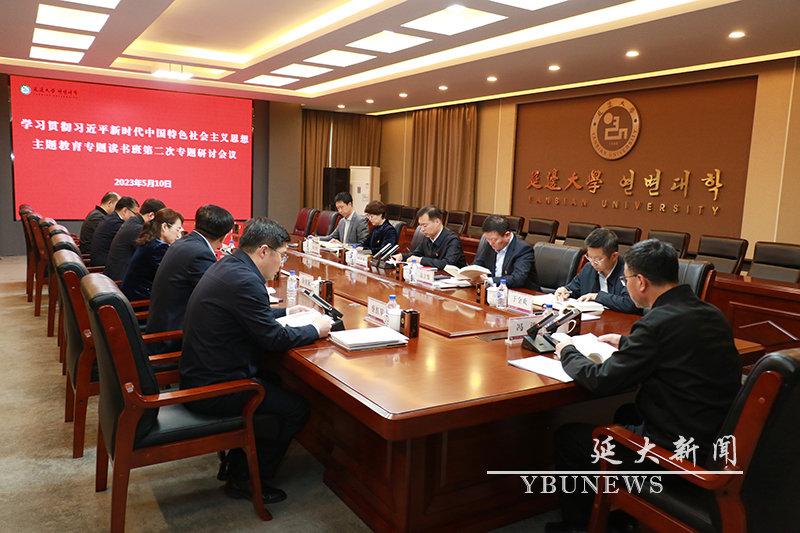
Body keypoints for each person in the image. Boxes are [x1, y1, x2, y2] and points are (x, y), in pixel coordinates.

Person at [545, 239, 742, 533]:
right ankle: (624, 514)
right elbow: (679, 348)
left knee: (568, 438)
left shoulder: (655, 323)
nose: (625, 286)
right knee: (626, 412)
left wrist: (568, 350)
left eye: (625, 280)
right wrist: (627, 342)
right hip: (712, 439)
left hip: (675, 454)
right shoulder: (711, 312)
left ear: (640, 281)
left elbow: (600, 381)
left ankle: (579, 527)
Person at [180, 217, 332, 504]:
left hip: (202, 372)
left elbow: (247, 315)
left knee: (274, 379)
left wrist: (286, 313)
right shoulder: (246, 281)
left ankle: (238, 463)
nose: (282, 264)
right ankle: (248, 480)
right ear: (264, 251)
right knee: (296, 409)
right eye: (282, 255)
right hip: (213, 388)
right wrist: (316, 329)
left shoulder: (230, 266)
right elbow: (272, 339)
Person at [145, 204, 234, 355]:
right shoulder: (200, 254)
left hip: (163, 327)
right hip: (173, 339)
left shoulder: (184, 243)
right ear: (223, 237)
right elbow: (220, 297)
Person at [554, 228, 637, 314]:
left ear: (614, 256)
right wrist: (564, 290)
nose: (593, 263)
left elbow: (629, 304)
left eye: (598, 259)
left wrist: (597, 296)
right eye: (589, 257)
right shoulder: (588, 268)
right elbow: (573, 288)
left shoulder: (629, 272)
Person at [119, 208, 184, 302]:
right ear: (164, 227)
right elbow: (169, 276)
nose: (179, 235)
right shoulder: (158, 248)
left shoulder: (150, 242)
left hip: (134, 296)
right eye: (178, 229)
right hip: (141, 302)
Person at [471, 214, 539, 290]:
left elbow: (517, 278)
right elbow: (478, 263)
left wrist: (488, 280)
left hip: (523, 293)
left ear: (507, 235)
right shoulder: (490, 244)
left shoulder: (523, 249)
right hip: (496, 291)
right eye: (488, 239)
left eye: (494, 239)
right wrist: (472, 274)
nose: (490, 243)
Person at [104, 198, 166, 281]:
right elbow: (152, 255)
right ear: (151, 215)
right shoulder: (137, 229)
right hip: (120, 279)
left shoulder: (133, 221)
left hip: (117, 274)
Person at [391, 205, 467, 269]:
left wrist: (421, 260)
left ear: (437, 222)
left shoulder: (452, 240)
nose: (422, 229)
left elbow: (447, 263)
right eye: (420, 225)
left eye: (425, 225)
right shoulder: (428, 237)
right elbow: (416, 254)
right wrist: (402, 256)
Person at [90, 196, 139, 267]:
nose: (135, 218)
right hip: (103, 266)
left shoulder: (110, 219)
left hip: (104, 262)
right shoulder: (116, 224)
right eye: (135, 214)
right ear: (125, 211)